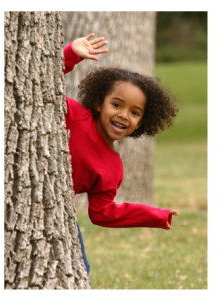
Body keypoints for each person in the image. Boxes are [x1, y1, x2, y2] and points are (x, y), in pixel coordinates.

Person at [63, 33, 179, 275]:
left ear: (141, 123)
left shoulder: (112, 167)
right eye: (116, 105)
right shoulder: (74, 114)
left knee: (78, 268)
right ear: (98, 103)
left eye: (135, 112)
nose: (124, 115)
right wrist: (72, 52)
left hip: (54, 209)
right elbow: (39, 84)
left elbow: (102, 212)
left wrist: (156, 215)